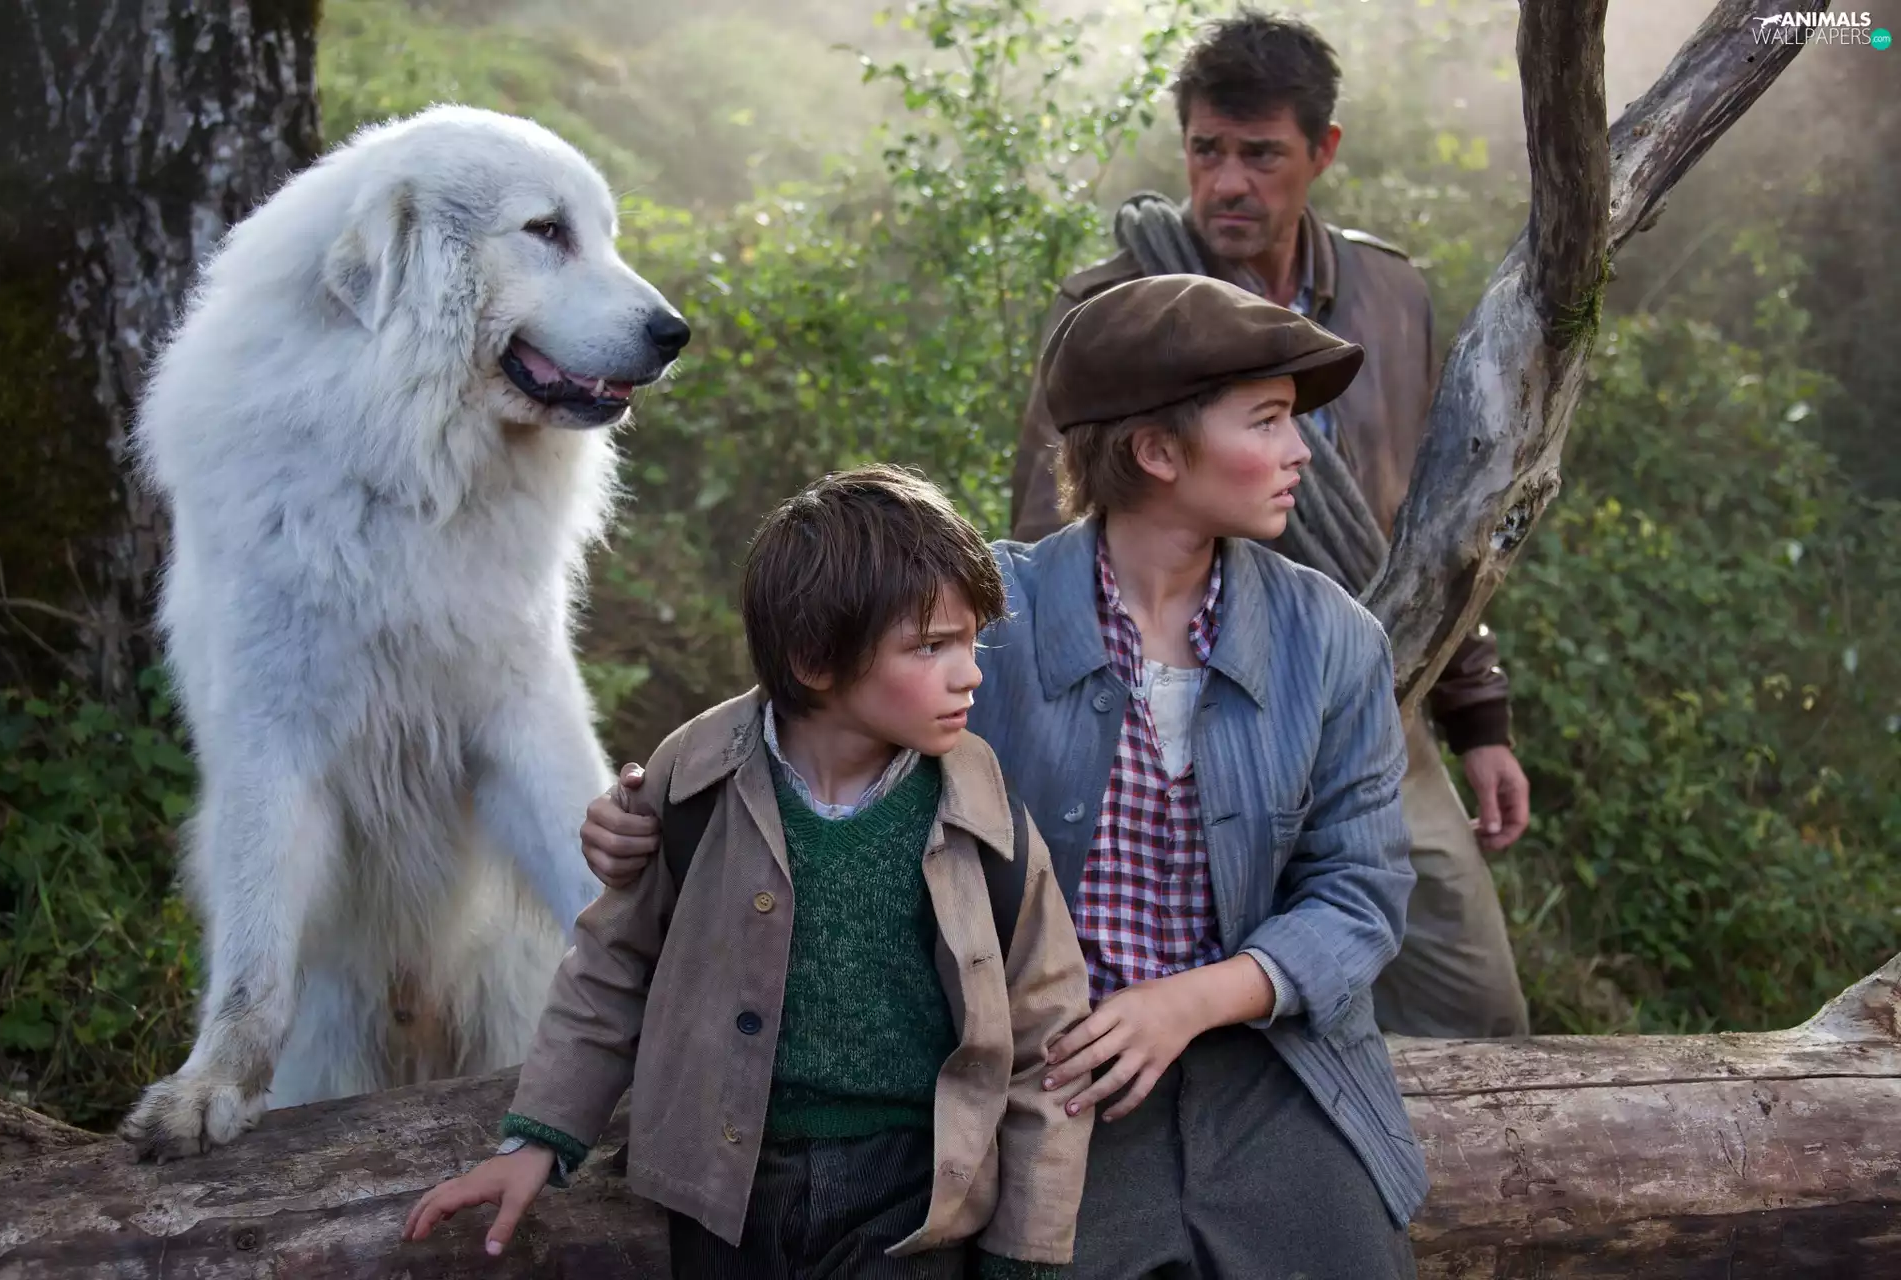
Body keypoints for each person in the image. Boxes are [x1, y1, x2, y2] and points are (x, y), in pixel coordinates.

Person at [588, 275, 1426, 1278]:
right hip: (1045, 1075)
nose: (1305, 452)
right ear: (1159, 452)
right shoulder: (986, 613)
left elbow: (1362, 892)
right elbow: (810, 715)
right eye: (1271, 421)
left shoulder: (1333, 640)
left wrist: (1188, 1001)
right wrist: (645, 803)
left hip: (1272, 1071)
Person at [403, 467, 1095, 1278]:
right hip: (724, 1185)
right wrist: (537, 1140)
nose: (969, 671)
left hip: (912, 1195)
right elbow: (613, 967)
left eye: (970, 642)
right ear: (813, 660)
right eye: (931, 646)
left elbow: (1047, 1039)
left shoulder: (985, 813)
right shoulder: (693, 781)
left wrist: (1026, 1251)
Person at [1008, 8, 1531, 1039]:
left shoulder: (1387, 297)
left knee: (1478, 1010)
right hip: (1172, 704)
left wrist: (1478, 715)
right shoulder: (1115, 308)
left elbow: (1424, 533)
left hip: (1375, 694)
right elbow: (1052, 527)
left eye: (1261, 153)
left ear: (1321, 151)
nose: (1228, 182)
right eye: (1207, 149)